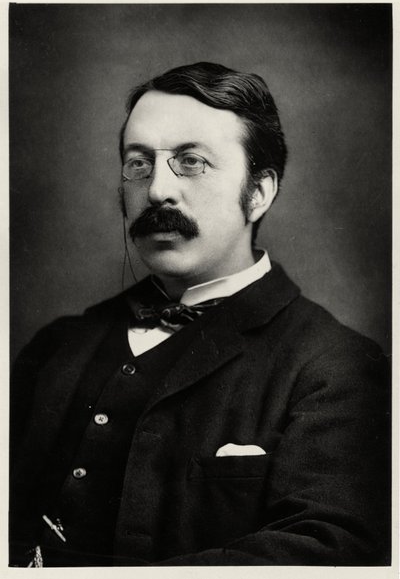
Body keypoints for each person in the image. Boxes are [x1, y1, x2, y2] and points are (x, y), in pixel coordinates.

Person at [9, 62, 390, 567]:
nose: (157, 190)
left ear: (259, 193)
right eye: (139, 163)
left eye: (191, 162)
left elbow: (328, 552)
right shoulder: (56, 346)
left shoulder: (335, 367)